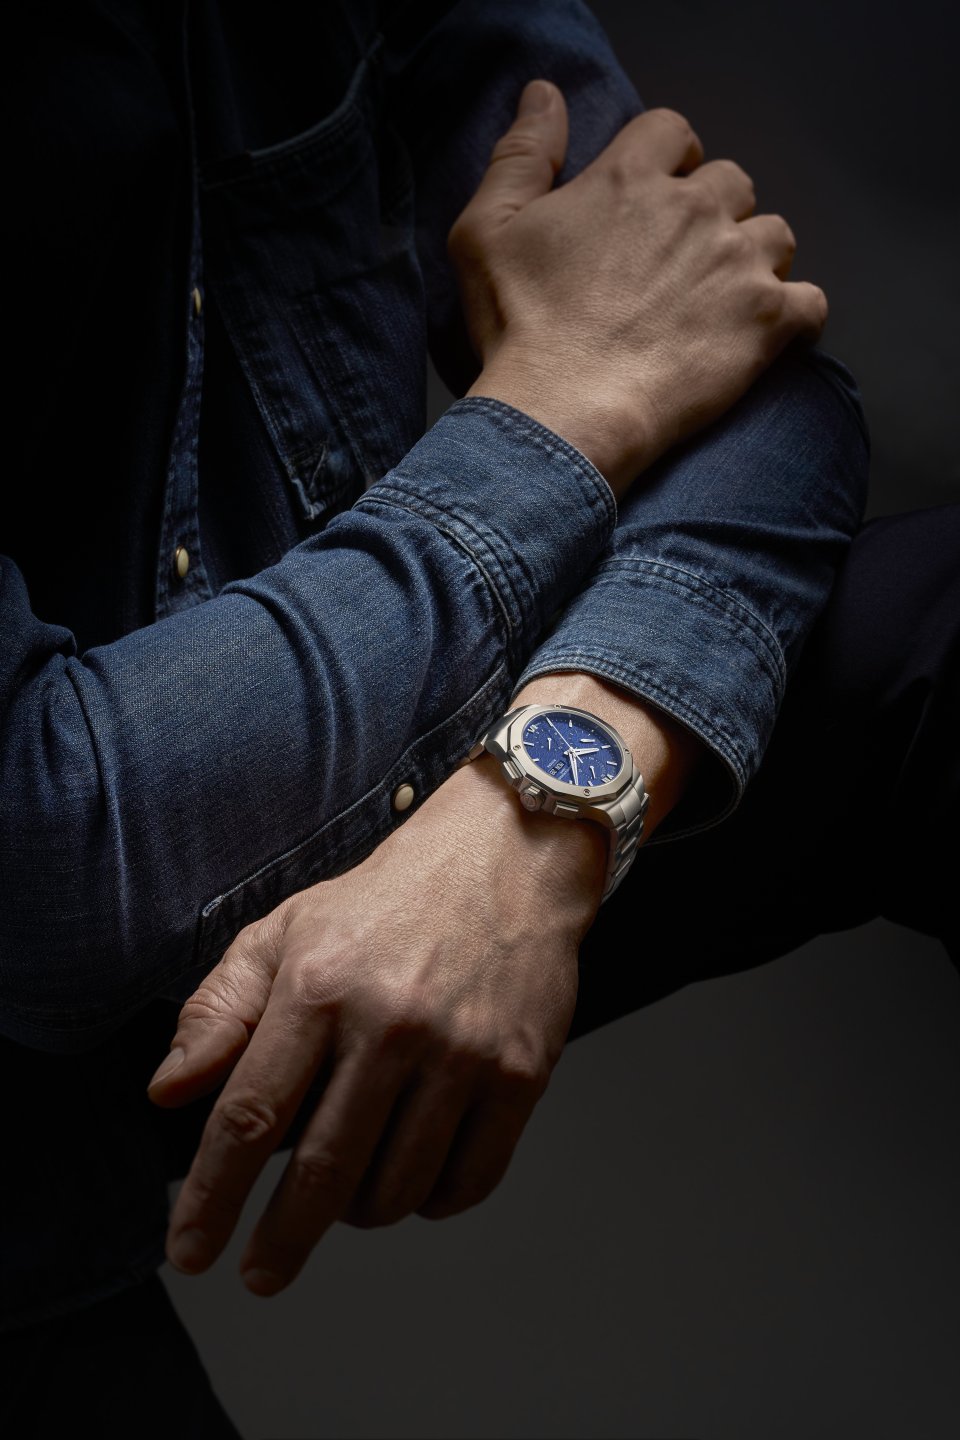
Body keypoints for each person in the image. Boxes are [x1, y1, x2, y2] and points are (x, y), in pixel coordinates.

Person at [1, 1, 956, 1436]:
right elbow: (43, 855)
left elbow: (742, 346)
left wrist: (534, 822)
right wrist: (561, 407)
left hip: (376, 790)